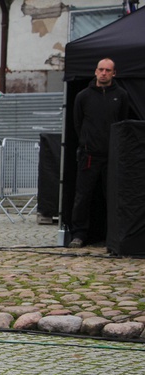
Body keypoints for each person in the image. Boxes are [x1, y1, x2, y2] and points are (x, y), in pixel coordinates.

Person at [69, 57, 130, 248]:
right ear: (95, 71)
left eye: (108, 70)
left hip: (112, 156)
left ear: (114, 73)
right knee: (82, 196)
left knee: (112, 196)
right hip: (89, 155)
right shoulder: (83, 96)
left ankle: (113, 235)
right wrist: (87, 143)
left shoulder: (121, 95)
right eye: (101, 69)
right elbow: (78, 123)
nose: (104, 73)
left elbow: (123, 123)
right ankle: (78, 235)